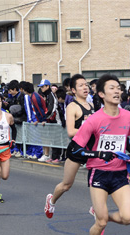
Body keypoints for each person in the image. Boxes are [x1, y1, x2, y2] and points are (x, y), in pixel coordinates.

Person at [69, 74, 130, 235]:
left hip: (119, 173)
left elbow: (126, 139)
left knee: (128, 217)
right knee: (101, 223)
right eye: (112, 88)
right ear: (101, 94)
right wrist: (98, 154)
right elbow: (74, 149)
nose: (117, 91)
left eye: (119, 88)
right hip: (98, 173)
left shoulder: (128, 116)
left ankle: (101, 212)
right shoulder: (93, 120)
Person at [45, 74, 96, 218]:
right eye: (81, 85)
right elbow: (71, 131)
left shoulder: (91, 105)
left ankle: (95, 207)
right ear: (73, 90)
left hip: (91, 149)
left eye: (86, 84)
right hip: (77, 149)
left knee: (101, 178)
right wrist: (87, 129)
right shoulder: (72, 107)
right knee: (67, 185)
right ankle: (52, 200)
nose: (85, 87)